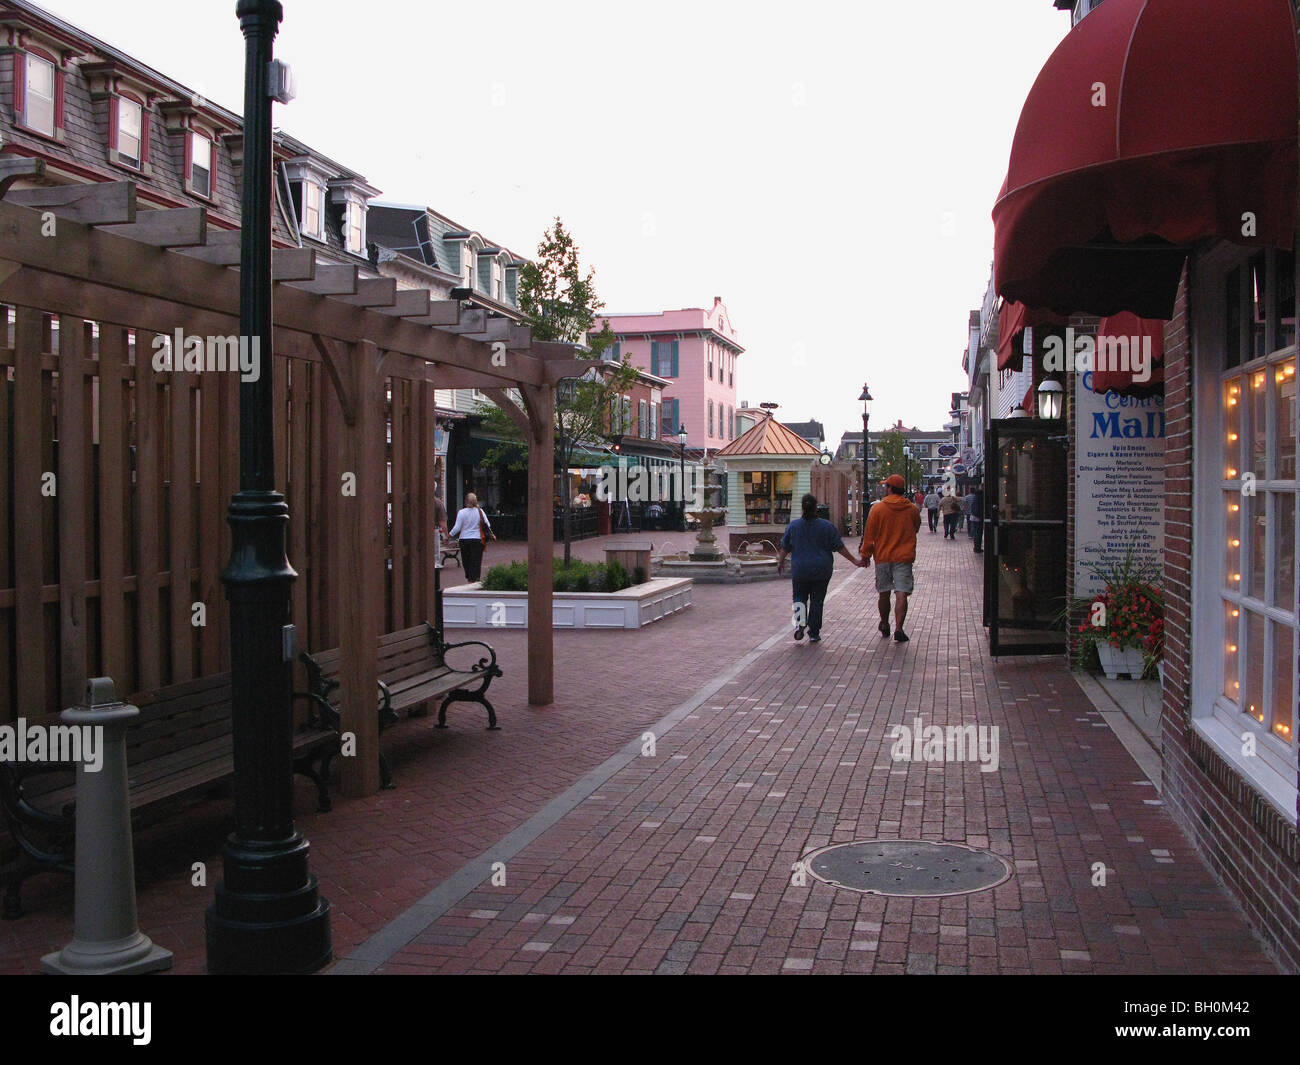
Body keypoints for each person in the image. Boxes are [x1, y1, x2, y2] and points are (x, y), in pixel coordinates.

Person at [777, 492, 865, 643]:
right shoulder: (827, 527)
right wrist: (854, 561)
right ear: (816, 508)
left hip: (800, 569)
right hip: (821, 569)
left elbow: (785, 547)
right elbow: (839, 547)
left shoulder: (794, 526)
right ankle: (814, 632)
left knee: (799, 596)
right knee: (817, 600)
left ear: (802, 508)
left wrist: (780, 562)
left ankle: (800, 623)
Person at [859, 473, 921, 643]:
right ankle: (899, 628)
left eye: (886, 486)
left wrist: (866, 555)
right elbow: (916, 527)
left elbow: (869, 535)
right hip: (904, 556)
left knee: (884, 593)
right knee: (902, 593)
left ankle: (885, 623)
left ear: (890, 488)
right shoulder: (912, 509)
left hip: (883, 556)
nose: (884, 488)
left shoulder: (878, 509)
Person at [447, 491, 495, 582]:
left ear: (466, 501)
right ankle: (475, 578)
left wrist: (449, 536)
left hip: (464, 539)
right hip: (477, 539)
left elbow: (457, 528)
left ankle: (469, 578)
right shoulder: (480, 511)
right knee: (476, 561)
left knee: (466, 560)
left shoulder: (461, 512)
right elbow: (487, 524)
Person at [970, 481, 985, 554]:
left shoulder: (976, 495)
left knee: (977, 532)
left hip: (974, 516)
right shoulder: (980, 496)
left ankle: (977, 547)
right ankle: (977, 547)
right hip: (978, 517)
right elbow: (979, 508)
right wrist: (981, 516)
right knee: (978, 532)